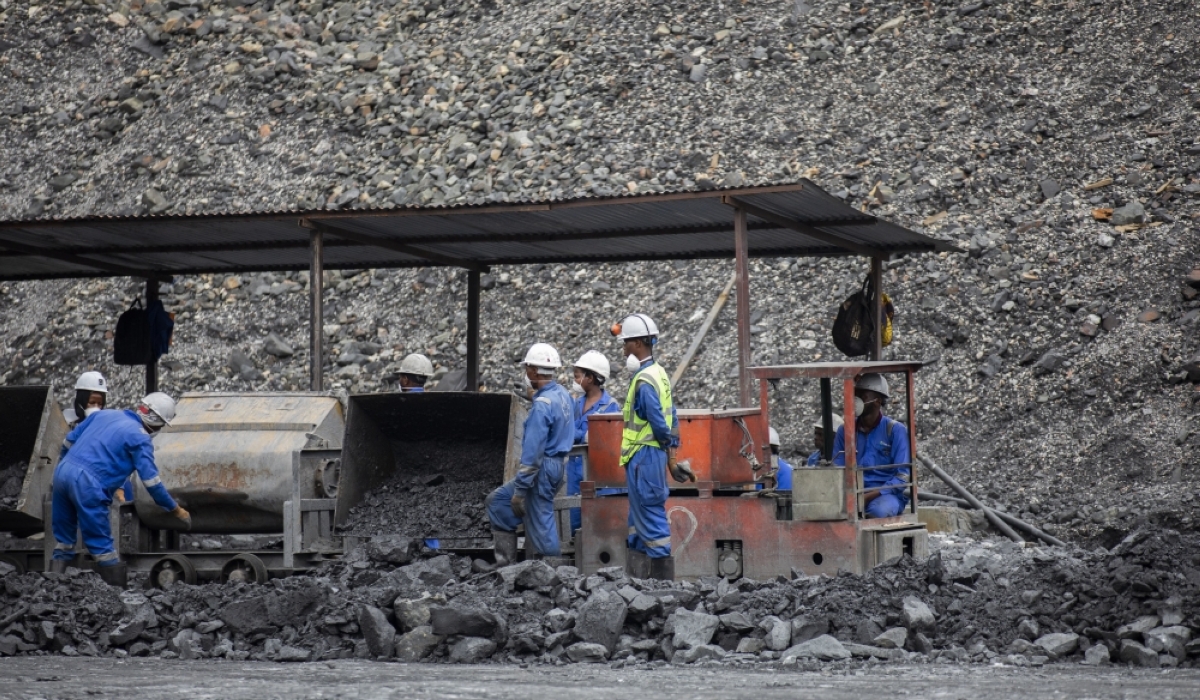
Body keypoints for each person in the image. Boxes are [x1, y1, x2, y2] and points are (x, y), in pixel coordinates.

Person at [51, 392, 191, 585]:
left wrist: (64, 467)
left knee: (64, 540)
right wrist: (175, 509)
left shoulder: (105, 414)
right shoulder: (140, 438)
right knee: (102, 546)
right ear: (156, 421)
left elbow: (67, 441)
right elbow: (151, 482)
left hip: (62, 474)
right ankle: (116, 596)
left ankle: (52, 588)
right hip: (88, 484)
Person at [613, 313, 692, 580]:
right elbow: (674, 418)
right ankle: (637, 582)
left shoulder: (644, 381)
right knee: (637, 520)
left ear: (637, 344)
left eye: (625, 343)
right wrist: (672, 456)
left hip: (644, 457)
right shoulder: (659, 374)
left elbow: (660, 423)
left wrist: (666, 449)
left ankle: (661, 586)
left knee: (650, 514)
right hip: (650, 456)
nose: (623, 349)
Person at [486, 343, 574, 564]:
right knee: (497, 502)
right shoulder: (562, 394)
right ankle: (505, 564)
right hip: (556, 466)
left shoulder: (542, 406)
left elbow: (532, 455)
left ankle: (553, 573)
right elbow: (551, 408)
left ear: (535, 371)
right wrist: (533, 396)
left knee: (541, 521)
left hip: (541, 470)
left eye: (528, 368)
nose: (526, 373)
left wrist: (520, 491)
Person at [831, 374, 911, 518]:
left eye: (863, 396)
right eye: (856, 394)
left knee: (878, 512)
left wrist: (866, 497)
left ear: (877, 401)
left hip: (885, 495)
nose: (857, 400)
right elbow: (837, 468)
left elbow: (902, 476)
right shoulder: (845, 430)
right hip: (852, 494)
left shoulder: (894, 430)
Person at [566, 350, 621, 536]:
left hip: (598, 475)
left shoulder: (610, 406)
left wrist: (575, 434)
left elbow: (603, 440)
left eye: (578, 376)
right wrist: (582, 435)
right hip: (575, 473)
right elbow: (568, 432)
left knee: (600, 527)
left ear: (590, 378)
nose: (575, 380)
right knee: (575, 523)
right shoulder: (575, 404)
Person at [62, 371, 136, 503]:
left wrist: (120, 488)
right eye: (92, 402)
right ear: (81, 402)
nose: (96, 407)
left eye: (100, 404)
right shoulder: (66, 424)